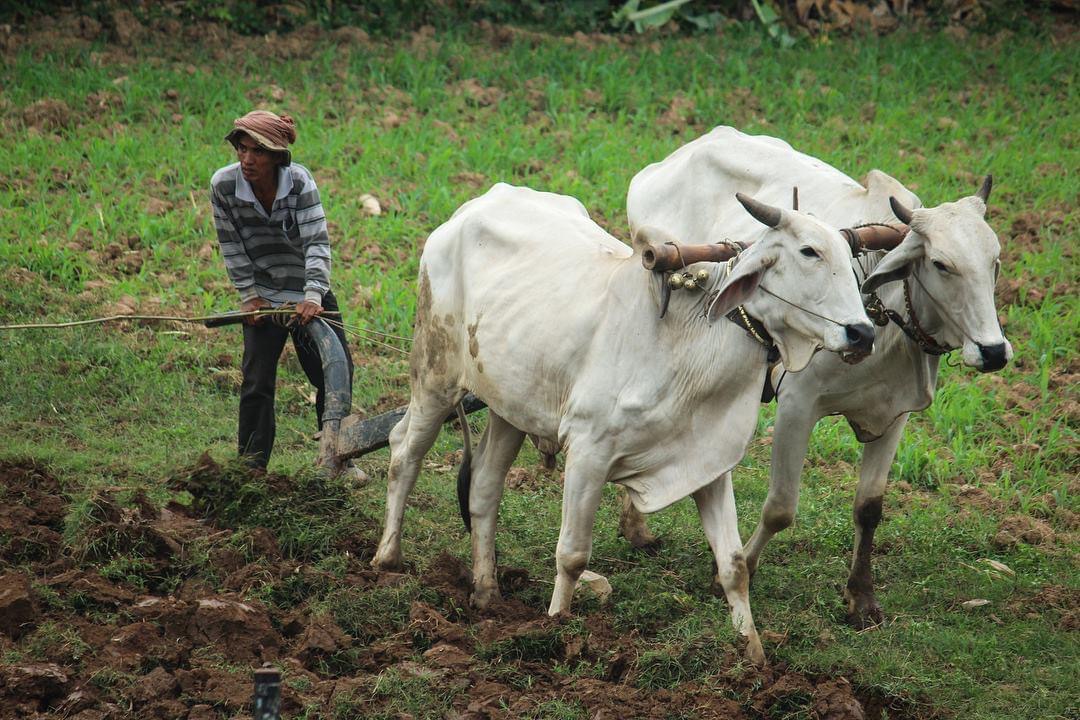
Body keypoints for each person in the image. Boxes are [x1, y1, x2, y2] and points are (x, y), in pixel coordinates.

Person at [210, 109, 354, 471]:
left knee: (334, 375)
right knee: (257, 382)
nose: (247, 159)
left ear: (276, 156)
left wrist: (313, 295)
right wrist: (249, 297)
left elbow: (317, 243)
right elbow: (231, 245)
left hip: (309, 296)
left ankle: (337, 459)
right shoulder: (224, 186)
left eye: (257, 152)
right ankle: (251, 467)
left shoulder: (300, 183)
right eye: (241, 149)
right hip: (263, 296)